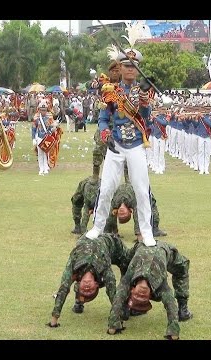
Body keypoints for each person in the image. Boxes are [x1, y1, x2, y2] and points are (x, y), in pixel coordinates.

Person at [85, 47, 157, 246]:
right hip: (115, 144)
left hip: (136, 145)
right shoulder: (110, 91)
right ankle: (97, 227)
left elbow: (144, 116)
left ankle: (146, 231)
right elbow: (103, 118)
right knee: (106, 187)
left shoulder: (144, 90)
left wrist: (143, 93)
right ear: (120, 67)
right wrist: (105, 133)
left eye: (134, 66)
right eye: (126, 66)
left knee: (142, 190)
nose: (130, 70)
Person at [107, 240, 192, 340]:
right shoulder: (161, 284)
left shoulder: (129, 279)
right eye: (142, 298)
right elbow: (171, 304)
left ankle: (183, 308)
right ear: (150, 295)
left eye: (137, 297)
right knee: (124, 267)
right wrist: (174, 332)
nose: (141, 294)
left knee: (183, 266)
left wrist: (113, 325)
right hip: (159, 250)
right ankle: (126, 309)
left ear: (132, 290)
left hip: (147, 245)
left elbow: (119, 296)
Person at [46, 233, 130, 328]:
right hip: (110, 242)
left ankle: (79, 301)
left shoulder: (74, 267)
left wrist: (54, 320)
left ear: (79, 282)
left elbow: (63, 288)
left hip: (93, 238)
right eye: (90, 291)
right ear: (97, 284)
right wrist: (117, 319)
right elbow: (112, 292)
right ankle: (125, 305)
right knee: (127, 271)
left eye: (84, 290)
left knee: (127, 267)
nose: (87, 287)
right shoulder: (103, 268)